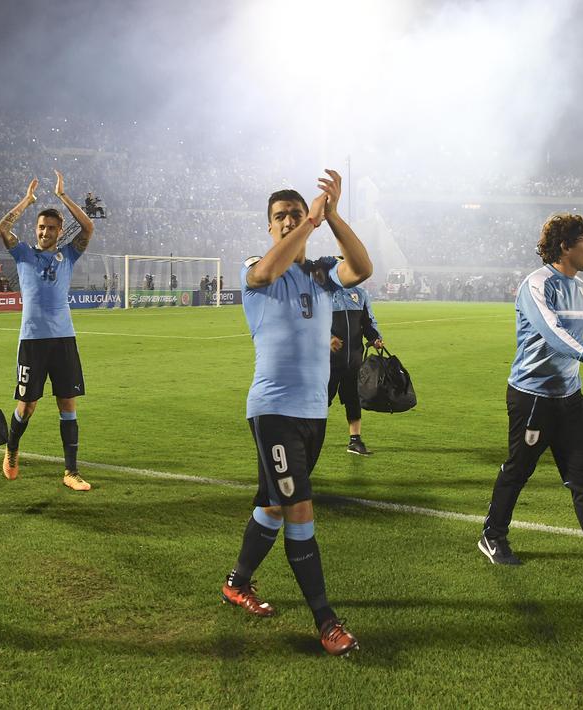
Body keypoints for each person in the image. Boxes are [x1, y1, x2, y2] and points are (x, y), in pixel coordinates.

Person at [220, 169, 370, 656]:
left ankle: (237, 582)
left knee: (274, 505)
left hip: (313, 414)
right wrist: (309, 222)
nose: (287, 222)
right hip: (273, 411)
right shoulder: (255, 268)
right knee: (300, 509)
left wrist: (335, 216)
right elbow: (267, 271)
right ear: (269, 227)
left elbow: (362, 268)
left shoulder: (323, 274)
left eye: (293, 214)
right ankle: (326, 621)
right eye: (279, 217)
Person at [477, 213, 583, 581]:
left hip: (569, 397)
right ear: (565, 245)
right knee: (519, 469)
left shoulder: (580, 287)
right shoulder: (536, 284)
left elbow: (566, 346)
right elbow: (556, 337)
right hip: (533, 397)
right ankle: (492, 536)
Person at [0, 171, 95, 491]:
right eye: (41, 227)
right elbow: (2, 228)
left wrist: (64, 196)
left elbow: (88, 227)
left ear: (59, 231)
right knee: (27, 406)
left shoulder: (69, 254)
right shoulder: (23, 252)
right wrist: (28, 200)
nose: (44, 232)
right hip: (33, 341)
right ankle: (11, 450)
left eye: (51, 228)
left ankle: (71, 471)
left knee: (67, 403)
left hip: (64, 339)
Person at [328, 283, 382, 455]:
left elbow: (367, 322)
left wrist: (375, 338)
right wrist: (327, 338)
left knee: (353, 399)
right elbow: (311, 322)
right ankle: (307, 437)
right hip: (327, 360)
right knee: (320, 401)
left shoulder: (360, 293)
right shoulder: (322, 293)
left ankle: (355, 441)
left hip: (353, 360)